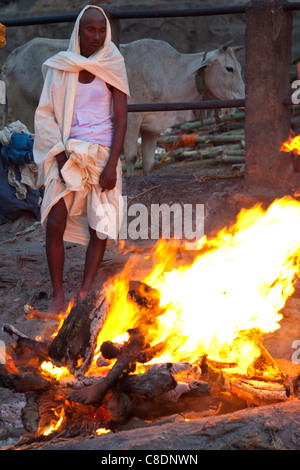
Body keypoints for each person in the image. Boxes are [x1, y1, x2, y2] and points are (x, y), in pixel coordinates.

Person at [33, 5, 130, 315]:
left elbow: (121, 116)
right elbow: (45, 115)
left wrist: (112, 162)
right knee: (55, 220)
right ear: (79, 31)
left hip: (102, 154)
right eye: (91, 30)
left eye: (102, 30)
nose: (97, 36)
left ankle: (84, 292)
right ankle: (58, 296)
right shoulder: (61, 67)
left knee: (100, 227)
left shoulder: (112, 63)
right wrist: (60, 159)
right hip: (68, 151)